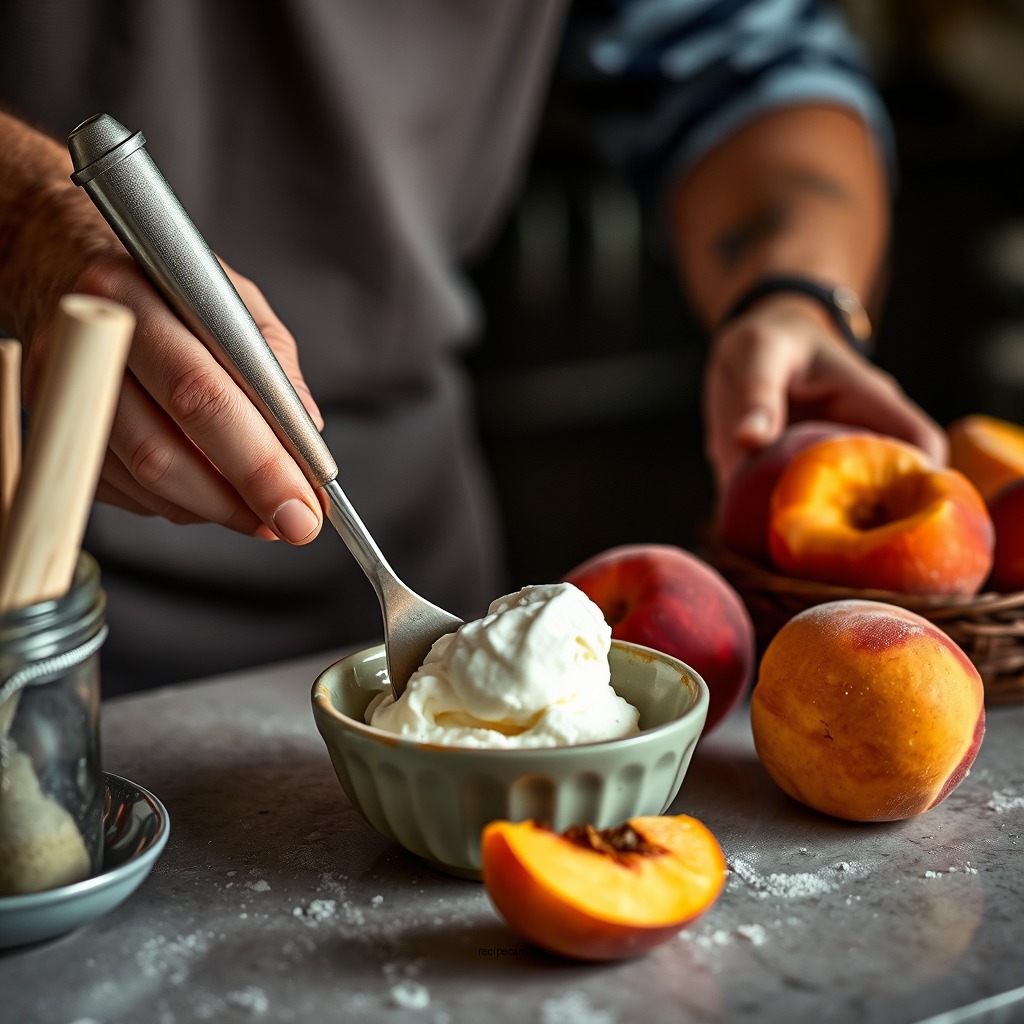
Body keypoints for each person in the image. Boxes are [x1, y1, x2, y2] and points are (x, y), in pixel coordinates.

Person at [0, 1, 946, 695]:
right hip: (30, 555)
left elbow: (742, 65)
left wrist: (792, 295)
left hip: (406, 528)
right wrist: (26, 223)